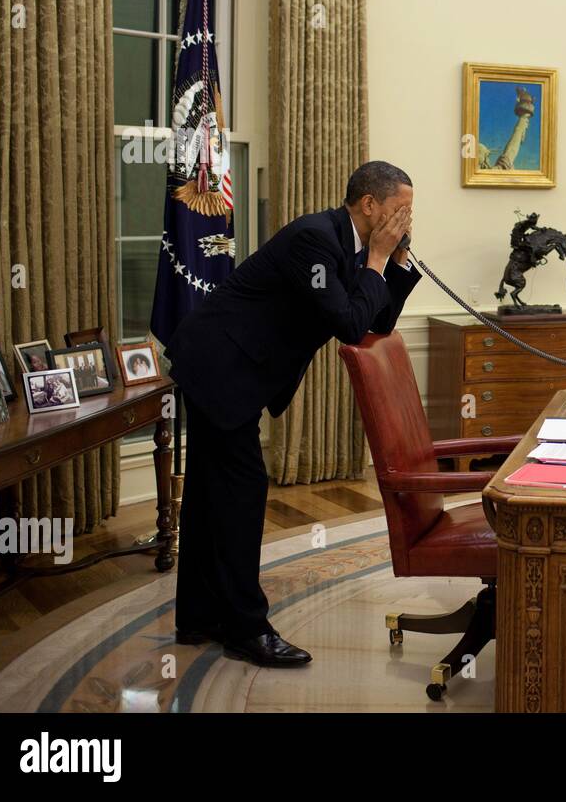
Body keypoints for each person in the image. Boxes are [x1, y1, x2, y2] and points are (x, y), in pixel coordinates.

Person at [166, 160, 421, 667]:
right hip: (219, 364)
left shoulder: (354, 248)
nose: (403, 221)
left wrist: (395, 259)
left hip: (234, 368)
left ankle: (198, 616)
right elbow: (349, 324)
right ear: (368, 205)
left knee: (209, 494)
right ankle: (245, 628)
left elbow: (377, 318)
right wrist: (376, 257)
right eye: (399, 211)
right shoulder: (316, 240)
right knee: (241, 493)